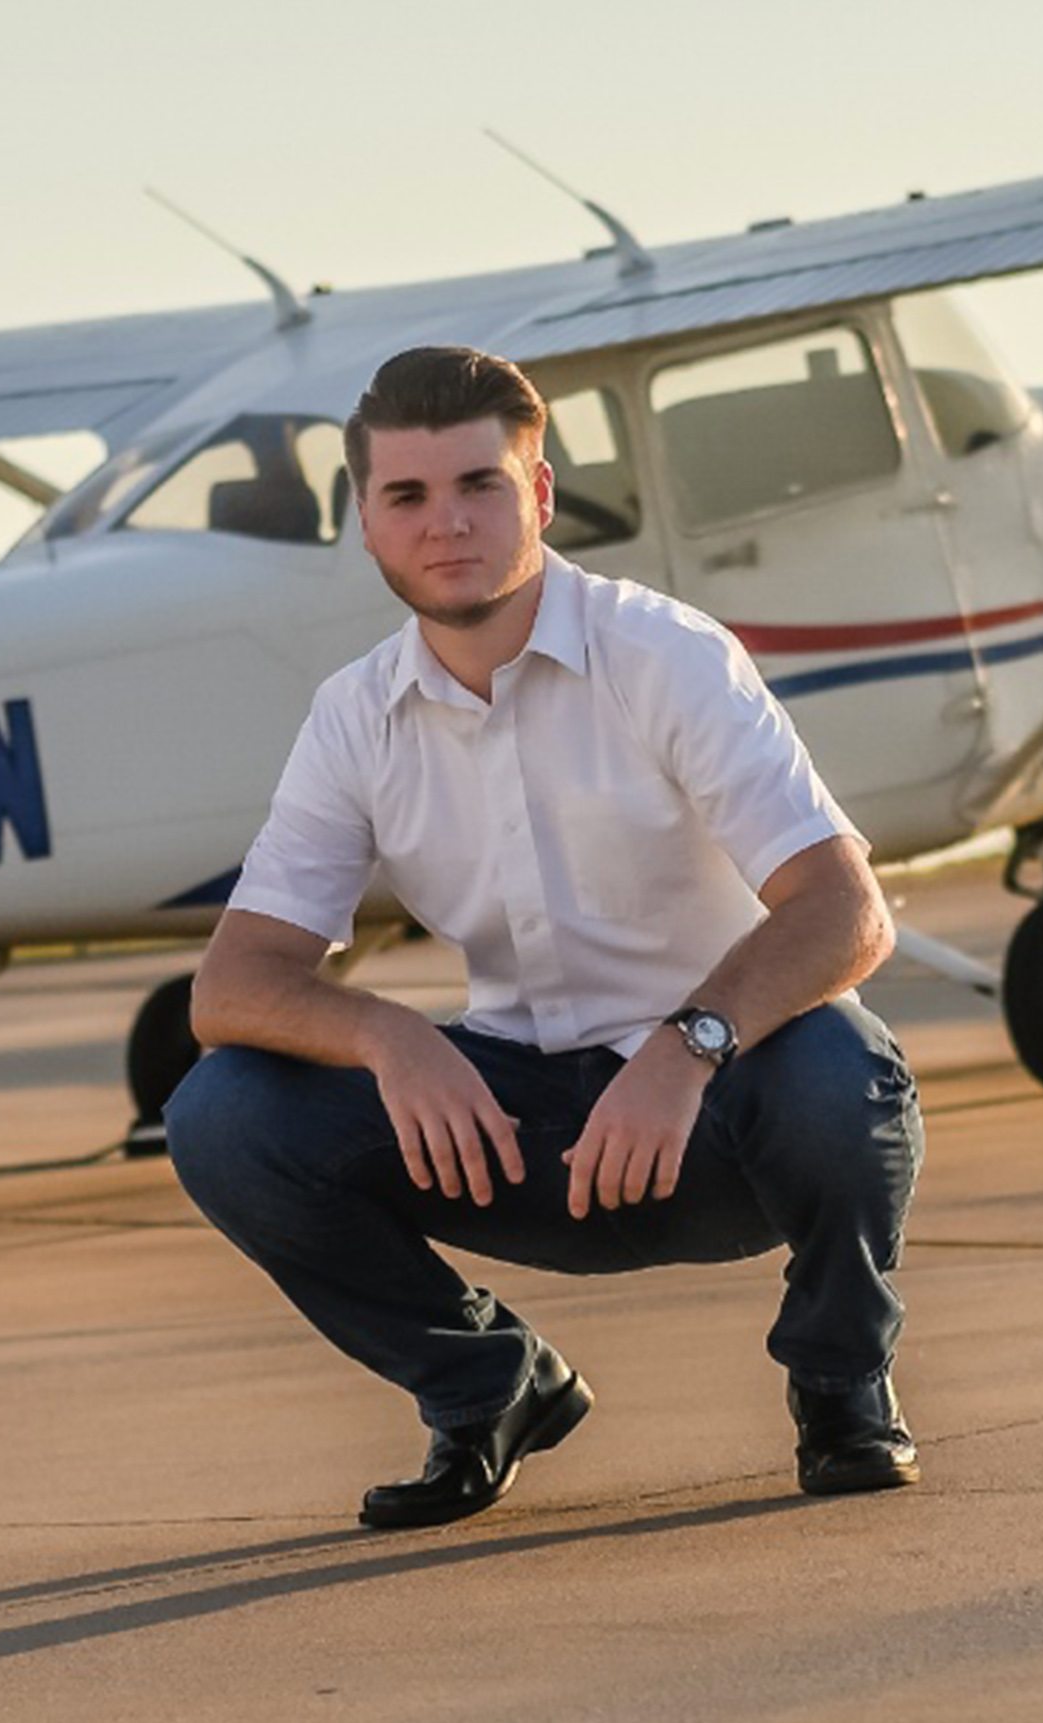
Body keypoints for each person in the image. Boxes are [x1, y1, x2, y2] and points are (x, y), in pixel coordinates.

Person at [165, 344, 924, 1530]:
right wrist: (389, 1039)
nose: (446, 524)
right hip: (524, 1136)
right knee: (223, 1112)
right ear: (366, 521)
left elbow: (845, 910)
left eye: (480, 486)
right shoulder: (355, 716)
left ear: (542, 496)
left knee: (841, 1065)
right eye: (406, 496)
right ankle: (486, 1389)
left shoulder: (664, 654)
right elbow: (232, 988)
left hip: (720, 1123)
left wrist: (688, 1048)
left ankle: (841, 1388)